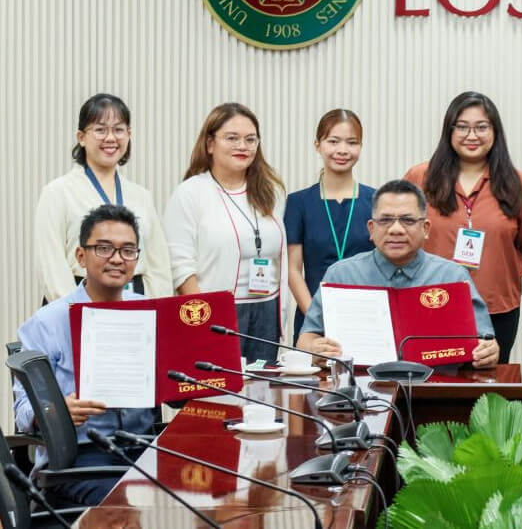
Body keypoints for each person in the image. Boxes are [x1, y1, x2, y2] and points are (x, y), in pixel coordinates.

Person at [15, 205, 154, 505]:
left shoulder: (148, 311)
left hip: (143, 447)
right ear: (81, 256)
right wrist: (55, 411)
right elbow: (24, 409)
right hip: (81, 458)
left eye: (128, 250)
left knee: (201, 491)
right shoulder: (46, 322)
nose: (117, 259)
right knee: (127, 505)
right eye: (104, 248)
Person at [404, 91, 522, 363]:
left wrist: (502, 271)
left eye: (481, 127)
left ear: (495, 131)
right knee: (429, 386)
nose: (472, 135)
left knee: (489, 389)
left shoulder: (519, 183)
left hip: (497, 309)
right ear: (449, 130)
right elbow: (404, 240)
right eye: (462, 127)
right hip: (431, 303)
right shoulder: (419, 177)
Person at [297, 180, 499, 368]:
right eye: (385, 220)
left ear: (425, 228)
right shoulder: (341, 274)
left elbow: (486, 343)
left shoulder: (452, 276)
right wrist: (315, 350)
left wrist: (489, 352)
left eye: (407, 220)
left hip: (437, 392)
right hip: (360, 394)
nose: (396, 230)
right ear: (371, 228)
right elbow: (305, 341)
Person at [164, 103, 288, 363]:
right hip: (217, 312)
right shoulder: (191, 193)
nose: (242, 146)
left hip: (267, 310)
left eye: (250, 139)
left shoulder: (269, 192)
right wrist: (203, 319)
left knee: (262, 395)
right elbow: (181, 265)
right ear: (210, 143)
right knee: (219, 396)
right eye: (232, 138)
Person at [34, 93, 172, 301]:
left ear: (129, 134)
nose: (110, 138)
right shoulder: (57, 192)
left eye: (118, 130)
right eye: (100, 130)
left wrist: (154, 307)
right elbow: (51, 265)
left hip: (135, 302)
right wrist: (77, 311)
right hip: (78, 300)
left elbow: (159, 265)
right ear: (81, 137)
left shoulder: (141, 196)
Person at [285, 109, 375, 336]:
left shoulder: (376, 201)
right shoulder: (298, 203)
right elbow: (293, 270)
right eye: (333, 141)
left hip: (366, 317)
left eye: (352, 142)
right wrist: (317, 318)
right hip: (312, 319)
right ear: (318, 145)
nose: (342, 150)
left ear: (361, 147)